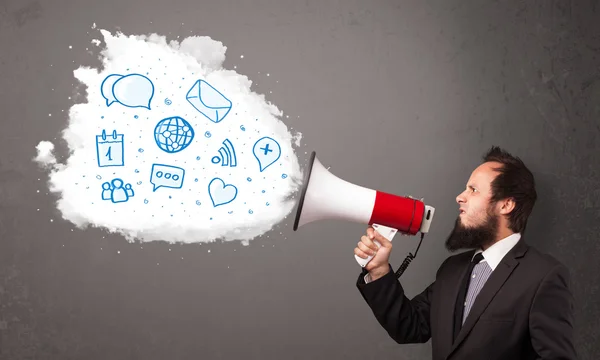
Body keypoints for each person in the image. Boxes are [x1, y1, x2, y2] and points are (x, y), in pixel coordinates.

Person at [355, 146, 577, 360]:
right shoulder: (452, 269)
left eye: (473, 190)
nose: (460, 197)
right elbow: (409, 327)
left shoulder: (543, 276)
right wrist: (379, 270)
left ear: (506, 205)